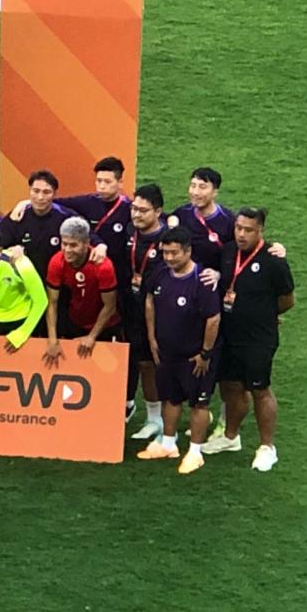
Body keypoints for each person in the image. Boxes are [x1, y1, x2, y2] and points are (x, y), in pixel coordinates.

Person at [201, 207, 295, 472]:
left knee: (259, 389)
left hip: (258, 339)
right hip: (229, 334)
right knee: (230, 386)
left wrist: (265, 315)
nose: (242, 234)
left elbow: (288, 300)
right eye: (239, 228)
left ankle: (267, 447)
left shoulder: (274, 261)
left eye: (248, 230)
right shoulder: (228, 251)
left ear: (260, 230)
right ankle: (230, 437)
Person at [137, 226, 222, 474]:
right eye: (165, 253)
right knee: (170, 398)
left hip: (195, 357)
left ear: (188, 251)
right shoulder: (160, 273)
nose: (170, 258)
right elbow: (150, 300)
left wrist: (205, 353)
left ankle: (195, 452)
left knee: (199, 404)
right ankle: (168, 443)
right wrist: (152, 338)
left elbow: (213, 319)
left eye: (175, 253)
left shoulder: (202, 281)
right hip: (166, 352)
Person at [122, 183, 169, 439]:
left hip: (160, 312)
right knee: (142, 363)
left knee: (159, 364)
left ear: (158, 212)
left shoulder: (166, 241)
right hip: (131, 309)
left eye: (143, 210)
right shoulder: (130, 230)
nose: (136, 215)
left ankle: (165, 421)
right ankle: (154, 418)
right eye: (134, 209)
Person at [43, 217, 120, 368]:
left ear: (86, 243)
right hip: (75, 322)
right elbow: (52, 302)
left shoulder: (103, 267)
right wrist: (52, 339)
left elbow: (110, 306)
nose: (67, 250)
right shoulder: (57, 262)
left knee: (105, 372)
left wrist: (92, 336)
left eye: (73, 245)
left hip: (105, 326)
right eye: (64, 244)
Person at [0, 169, 75, 281]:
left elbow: (86, 239)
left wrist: (99, 245)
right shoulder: (17, 215)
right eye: (36, 191)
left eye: (46, 192)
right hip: (24, 284)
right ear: (30, 191)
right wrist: (11, 251)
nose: (40, 197)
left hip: (58, 284)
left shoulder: (66, 217)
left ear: (54, 194)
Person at [167, 167, 236, 270]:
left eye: (202, 187)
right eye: (193, 186)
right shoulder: (182, 213)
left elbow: (235, 256)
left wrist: (219, 274)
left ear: (215, 192)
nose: (195, 192)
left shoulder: (228, 220)